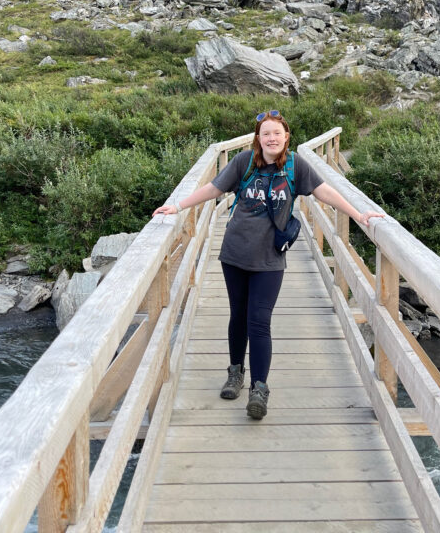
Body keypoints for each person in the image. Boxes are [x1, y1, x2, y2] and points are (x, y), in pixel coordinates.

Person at [153, 110, 385, 419]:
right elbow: (215, 188)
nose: (271, 138)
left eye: (277, 133)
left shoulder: (294, 166)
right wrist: (178, 207)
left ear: (286, 136)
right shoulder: (244, 162)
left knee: (259, 321)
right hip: (235, 253)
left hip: (270, 258)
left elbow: (322, 191)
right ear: (258, 138)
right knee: (238, 315)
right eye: (266, 134)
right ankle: (235, 373)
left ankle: (259, 390)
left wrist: (358, 214)